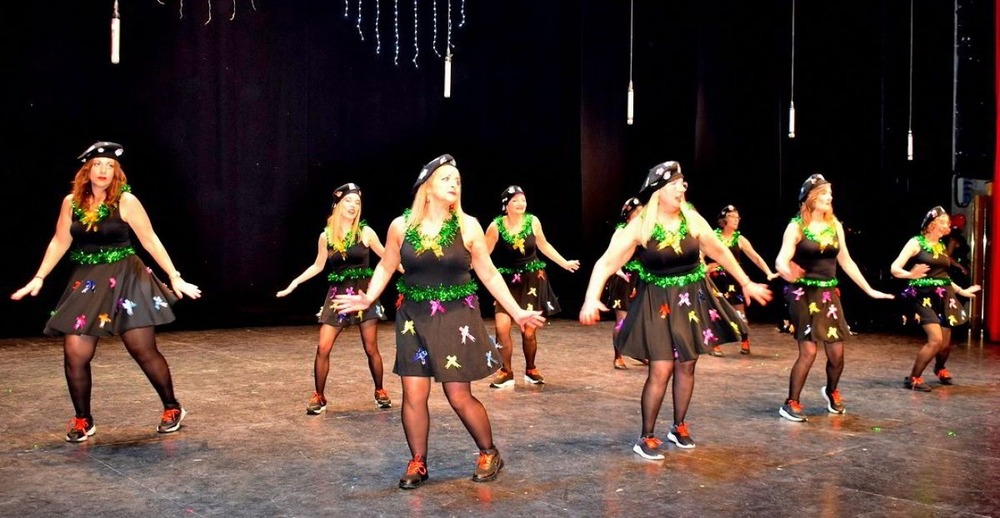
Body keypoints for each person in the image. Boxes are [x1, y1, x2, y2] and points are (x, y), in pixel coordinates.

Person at [332, 155, 545, 489]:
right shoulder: (401, 227)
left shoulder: (468, 226)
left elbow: (488, 273)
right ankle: (418, 461)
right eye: (446, 179)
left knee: (457, 394)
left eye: (457, 181)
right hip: (413, 318)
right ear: (427, 187)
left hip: (457, 317)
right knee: (413, 394)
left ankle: (489, 451)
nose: (454, 185)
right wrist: (368, 297)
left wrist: (516, 312)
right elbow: (387, 266)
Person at [10, 141, 202, 442]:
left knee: (141, 349)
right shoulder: (71, 202)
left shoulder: (126, 201)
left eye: (109, 166)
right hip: (88, 281)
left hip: (127, 277)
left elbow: (150, 239)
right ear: (87, 170)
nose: (103, 170)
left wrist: (174, 276)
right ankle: (83, 419)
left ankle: (172, 407)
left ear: (117, 172)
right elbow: (60, 241)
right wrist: (39, 277)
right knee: (74, 352)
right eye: (98, 164)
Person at [579, 161, 772, 460]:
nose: (682, 188)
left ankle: (678, 426)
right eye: (675, 184)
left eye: (682, 183)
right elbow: (605, 263)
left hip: (692, 297)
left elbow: (719, 250)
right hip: (657, 301)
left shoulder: (692, 218)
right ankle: (646, 435)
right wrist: (591, 298)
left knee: (687, 363)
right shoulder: (640, 226)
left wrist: (745, 282)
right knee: (661, 367)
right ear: (658, 192)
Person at [774, 174, 893, 422]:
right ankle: (791, 402)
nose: (829, 197)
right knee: (808, 351)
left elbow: (846, 261)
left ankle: (831, 390)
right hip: (803, 292)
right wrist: (785, 269)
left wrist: (869, 290)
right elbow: (781, 259)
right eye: (824, 193)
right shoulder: (796, 227)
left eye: (830, 193)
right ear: (810, 198)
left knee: (837, 354)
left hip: (828, 293)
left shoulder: (835, 225)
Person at [276, 183, 392, 413]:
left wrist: (410, 271)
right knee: (323, 346)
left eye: (357, 203)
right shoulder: (326, 236)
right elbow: (318, 266)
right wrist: (295, 282)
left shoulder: (366, 233)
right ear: (338, 204)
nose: (353, 206)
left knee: (371, 348)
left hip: (362, 295)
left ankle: (380, 390)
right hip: (338, 295)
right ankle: (319, 397)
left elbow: (389, 258)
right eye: (348, 201)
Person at [485, 185, 580, 387]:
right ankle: (506, 371)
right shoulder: (495, 226)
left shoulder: (533, 221)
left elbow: (544, 245)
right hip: (507, 282)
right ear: (506, 205)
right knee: (502, 328)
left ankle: (531, 368)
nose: (521, 204)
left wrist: (564, 263)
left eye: (523, 200)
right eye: (515, 201)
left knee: (529, 331)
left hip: (531, 281)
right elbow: (482, 255)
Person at [890, 206, 980, 391]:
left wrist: (962, 291)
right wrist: (910, 274)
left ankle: (940, 368)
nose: (948, 225)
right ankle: (913, 377)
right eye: (944, 221)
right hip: (923, 296)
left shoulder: (940, 245)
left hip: (944, 295)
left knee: (945, 344)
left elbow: (943, 276)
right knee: (936, 340)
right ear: (932, 223)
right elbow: (894, 268)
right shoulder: (916, 242)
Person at [703, 205, 779, 356]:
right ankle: (715, 344)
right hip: (718, 280)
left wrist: (768, 272)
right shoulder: (713, 236)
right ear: (724, 219)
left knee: (740, 312)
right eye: (732, 217)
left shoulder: (740, 239)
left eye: (738, 217)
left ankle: (745, 341)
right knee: (716, 312)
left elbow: (755, 257)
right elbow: (700, 254)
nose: (736, 220)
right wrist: (706, 268)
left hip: (734, 280)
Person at [600, 197, 643, 370]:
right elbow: (611, 255)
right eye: (637, 213)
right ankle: (618, 355)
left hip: (640, 277)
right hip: (623, 277)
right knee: (622, 320)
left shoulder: (645, 232)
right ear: (628, 215)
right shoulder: (621, 232)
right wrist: (619, 273)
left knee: (641, 319)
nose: (641, 216)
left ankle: (639, 352)